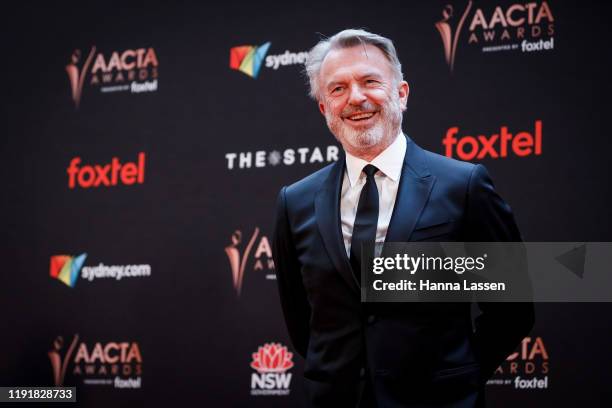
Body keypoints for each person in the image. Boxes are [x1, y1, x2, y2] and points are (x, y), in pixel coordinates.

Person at [272, 29, 534, 408]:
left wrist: (458, 376)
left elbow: (513, 310)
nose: (356, 98)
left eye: (370, 81)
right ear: (324, 108)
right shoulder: (294, 202)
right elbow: (302, 323)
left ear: (402, 93)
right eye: (338, 88)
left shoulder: (462, 185)